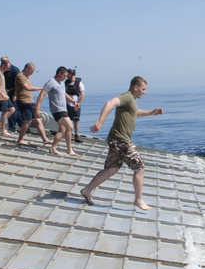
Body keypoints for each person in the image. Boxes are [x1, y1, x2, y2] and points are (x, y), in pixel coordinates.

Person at [80, 76, 163, 210]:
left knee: (111, 169)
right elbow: (110, 103)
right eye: (143, 89)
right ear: (135, 87)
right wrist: (100, 122)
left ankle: (87, 190)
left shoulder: (132, 101)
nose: (144, 92)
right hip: (120, 140)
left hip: (115, 139)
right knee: (139, 167)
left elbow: (136, 112)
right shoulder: (127, 97)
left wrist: (151, 113)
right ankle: (138, 200)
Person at [35, 66, 77, 156]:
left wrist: (72, 100)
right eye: (64, 76)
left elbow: (63, 93)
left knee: (63, 129)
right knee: (70, 126)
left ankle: (58, 149)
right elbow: (41, 95)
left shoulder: (61, 83)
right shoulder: (51, 82)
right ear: (59, 74)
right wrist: (37, 109)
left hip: (63, 109)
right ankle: (66, 149)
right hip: (57, 110)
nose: (66, 78)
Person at [14, 62, 51, 145]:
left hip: (30, 102)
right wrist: (41, 88)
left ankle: (45, 139)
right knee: (27, 121)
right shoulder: (20, 76)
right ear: (27, 68)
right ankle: (20, 139)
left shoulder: (26, 77)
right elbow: (27, 88)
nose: (32, 73)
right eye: (32, 71)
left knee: (38, 120)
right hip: (25, 102)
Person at [0, 61, 15, 137]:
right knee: (5, 112)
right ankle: (2, 130)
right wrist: (2, 94)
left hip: (5, 95)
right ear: (3, 65)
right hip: (0, 96)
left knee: (12, 109)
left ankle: (0, 123)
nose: (8, 69)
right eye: (8, 67)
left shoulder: (2, 73)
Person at [65, 68, 85, 142]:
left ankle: (77, 135)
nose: (66, 76)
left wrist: (78, 103)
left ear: (71, 74)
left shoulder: (79, 83)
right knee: (67, 120)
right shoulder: (66, 83)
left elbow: (82, 94)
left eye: (68, 74)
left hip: (76, 104)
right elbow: (64, 93)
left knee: (76, 120)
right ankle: (68, 134)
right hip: (67, 104)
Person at [0, 56, 20, 132]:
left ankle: (12, 127)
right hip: (5, 92)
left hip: (13, 91)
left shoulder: (15, 70)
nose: (4, 64)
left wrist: (15, 94)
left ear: (8, 62)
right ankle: (8, 126)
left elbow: (18, 84)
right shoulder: (1, 69)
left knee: (13, 109)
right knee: (9, 109)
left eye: (5, 63)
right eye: (2, 63)